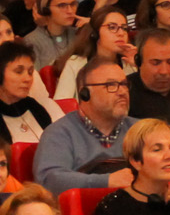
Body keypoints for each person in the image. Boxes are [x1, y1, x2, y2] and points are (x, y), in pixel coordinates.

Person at [35, 57, 135, 195]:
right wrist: (106, 181)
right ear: (85, 93)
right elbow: (49, 180)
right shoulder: (59, 133)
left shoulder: (139, 130)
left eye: (124, 84)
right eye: (111, 85)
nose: (123, 91)